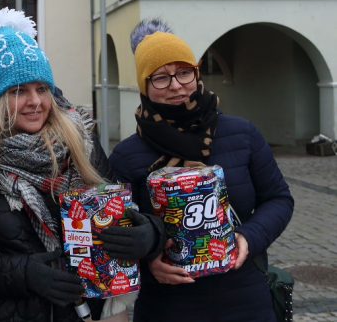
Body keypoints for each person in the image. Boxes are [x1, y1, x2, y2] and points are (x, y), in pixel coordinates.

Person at [0, 8, 157, 322]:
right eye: (19, 91)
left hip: (94, 312)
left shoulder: (81, 145)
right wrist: (23, 274)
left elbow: (119, 211)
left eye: (42, 89)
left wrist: (147, 235)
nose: (35, 102)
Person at [108, 19, 294, 322]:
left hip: (245, 300)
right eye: (161, 78)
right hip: (169, 307)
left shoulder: (242, 134)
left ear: (196, 72)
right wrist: (149, 265)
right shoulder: (127, 155)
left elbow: (279, 199)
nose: (177, 85)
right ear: (144, 84)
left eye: (184, 72)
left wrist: (248, 237)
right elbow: (116, 232)